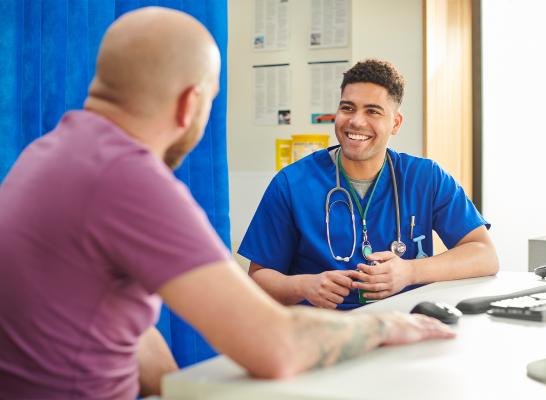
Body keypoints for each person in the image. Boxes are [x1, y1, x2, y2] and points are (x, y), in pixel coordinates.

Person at [0, 9, 455, 400]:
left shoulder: (46, 156)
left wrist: (179, 387)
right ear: (189, 103)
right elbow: (276, 344)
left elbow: (125, 329)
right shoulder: (132, 183)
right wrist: (387, 327)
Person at [240, 59, 499, 310]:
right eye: (347, 108)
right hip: (323, 331)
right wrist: (304, 286)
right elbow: (258, 278)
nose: (356, 121)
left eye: (372, 111)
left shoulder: (425, 178)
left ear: (395, 123)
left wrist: (409, 271)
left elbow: (484, 254)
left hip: (404, 325)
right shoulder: (292, 184)